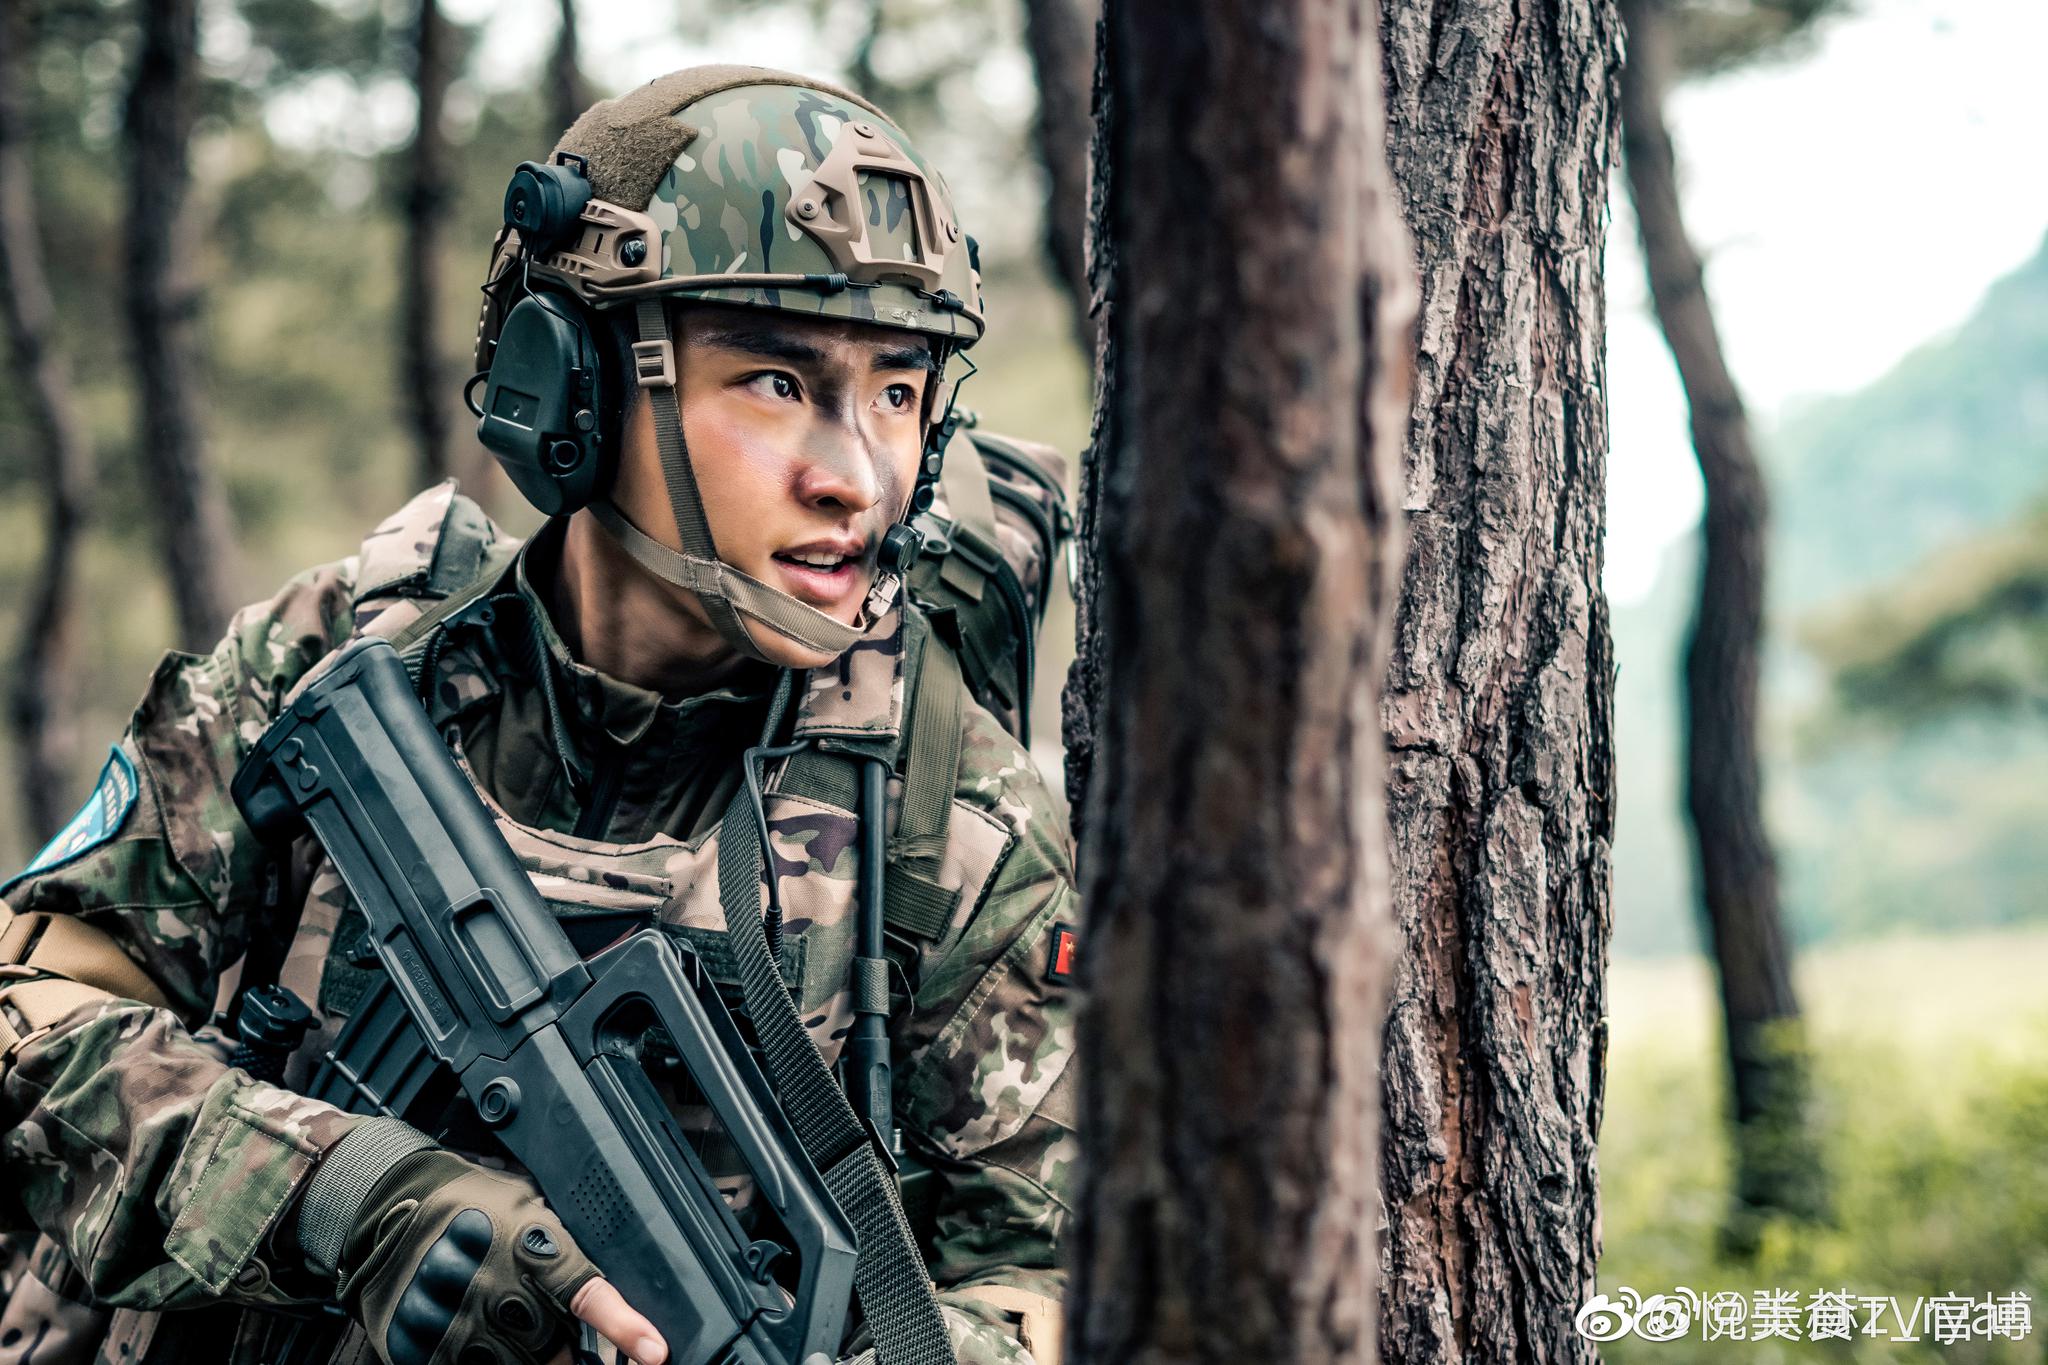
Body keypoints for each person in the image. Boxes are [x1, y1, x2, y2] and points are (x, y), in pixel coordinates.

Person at [0, 66, 1075, 1365]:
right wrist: (348, 1194)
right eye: (777, 384)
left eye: (898, 392)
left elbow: (1050, 1276)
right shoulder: (333, 660)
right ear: (570, 382)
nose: (854, 476)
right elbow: (30, 1012)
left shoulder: (949, 822)